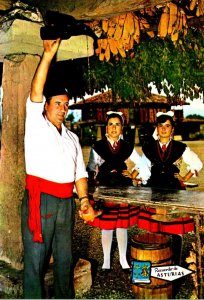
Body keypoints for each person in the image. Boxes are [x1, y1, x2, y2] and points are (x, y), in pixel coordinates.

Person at [21, 38, 97, 299]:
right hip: (41, 201)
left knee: (65, 260)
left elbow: (80, 174)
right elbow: (36, 88)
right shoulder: (36, 125)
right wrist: (47, 55)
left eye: (66, 105)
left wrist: (84, 200)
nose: (63, 109)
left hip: (66, 204)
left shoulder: (72, 137)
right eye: (57, 104)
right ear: (45, 105)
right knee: (36, 262)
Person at [133, 110, 203, 264]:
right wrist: (140, 179)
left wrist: (185, 177)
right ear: (157, 129)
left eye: (167, 126)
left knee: (174, 228)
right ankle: (160, 262)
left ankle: (175, 263)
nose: (164, 129)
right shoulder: (149, 147)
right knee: (157, 228)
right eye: (161, 126)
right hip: (155, 189)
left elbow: (197, 163)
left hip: (175, 190)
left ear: (172, 129)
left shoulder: (180, 147)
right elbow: (143, 168)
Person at [84, 111, 144, 272]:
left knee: (122, 226)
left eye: (117, 124)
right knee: (108, 226)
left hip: (123, 188)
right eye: (111, 124)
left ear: (122, 128)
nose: (114, 127)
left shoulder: (127, 146)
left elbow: (142, 163)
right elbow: (91, 167)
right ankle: (106, 261)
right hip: (104, 189)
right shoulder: (98, 146)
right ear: (106, 127)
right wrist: (93, 182)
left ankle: (123, 259)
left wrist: (133, 174)